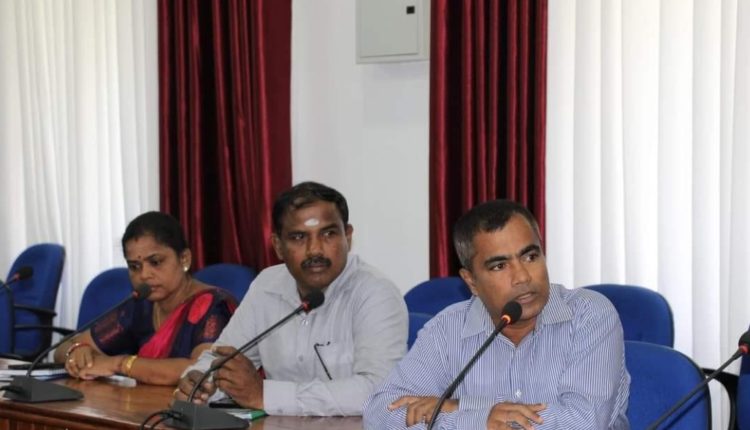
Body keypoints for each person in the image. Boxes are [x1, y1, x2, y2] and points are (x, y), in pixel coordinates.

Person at [363, 200, 630, 429]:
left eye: (530, 257)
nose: (522, 277)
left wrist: (459, 407)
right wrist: (479, 421)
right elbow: (380, 413)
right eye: (500, 266)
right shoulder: (448, 328)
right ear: (471, 281)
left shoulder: (588, 315)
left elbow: (582, 422)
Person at [175, 181, 408, 416]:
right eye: (298, 237)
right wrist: (200, 382)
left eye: (328, 234)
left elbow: (378, 390)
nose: (315, 250)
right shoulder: (267, 286)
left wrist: (265, 395)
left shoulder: (375, 293)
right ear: (278, 246)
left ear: (347, 237)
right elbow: (223, 357)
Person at [53, 211, 238, 385]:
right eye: (134, 266)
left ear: (184, 259)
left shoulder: (215, 305)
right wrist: (77, 351)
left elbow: (202, 371)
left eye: (155, 262)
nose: (144, 275)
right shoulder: (141, 305)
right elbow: (61, 349)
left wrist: (119, 364)